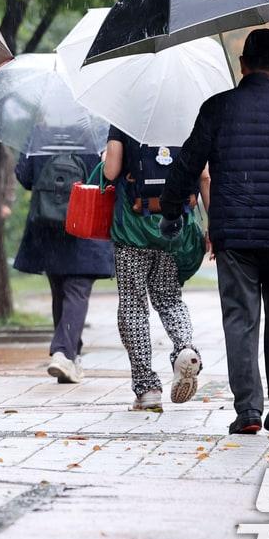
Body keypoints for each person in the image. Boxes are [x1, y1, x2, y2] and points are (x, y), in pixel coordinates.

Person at [161, 28, 269, 436]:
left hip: (234, 233)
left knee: (240, 318)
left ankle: (248, 410)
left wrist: (169, 210)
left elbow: (187, 164)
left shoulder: (217, 109)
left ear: (242, 64)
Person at [103, 128, 206, 409]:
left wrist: (105, 158)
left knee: (134, 306)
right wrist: (214, 226)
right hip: (173, 227)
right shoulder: (187, 115)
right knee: (170, 299)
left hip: (132, 231)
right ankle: (185, 348)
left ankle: (146, 387)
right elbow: (205, 175)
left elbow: (111, 171)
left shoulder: (125, 116)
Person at [13, 149, 114, 384]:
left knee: (60, 292)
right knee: (76, 292)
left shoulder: (41, 136)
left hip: (49, 226)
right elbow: (109, 175)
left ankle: (71, 355)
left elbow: (25, 177)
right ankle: (63, 352)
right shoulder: (94, 135)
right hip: (85, 222)